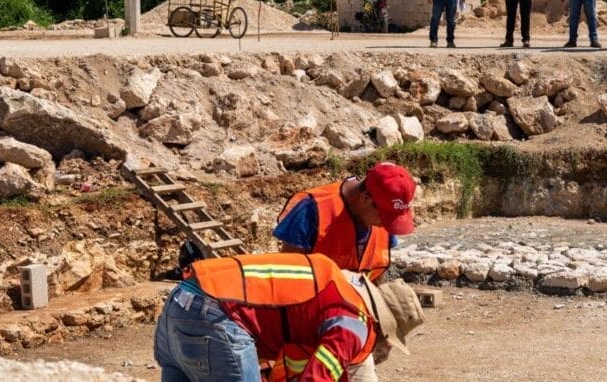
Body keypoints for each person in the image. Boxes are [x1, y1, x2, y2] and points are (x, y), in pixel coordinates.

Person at [154, 251, 425, 382]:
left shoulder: (336, 285)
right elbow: (317, 378)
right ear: (382, 327)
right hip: (218, 314)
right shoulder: (355, 322)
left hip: (180, 301)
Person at [273, 162, 416, 283]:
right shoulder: (312, 210)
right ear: (365, 199)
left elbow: (376, 275)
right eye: (386, 217)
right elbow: (288, 278)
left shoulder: (382, 214)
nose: (388, 225)